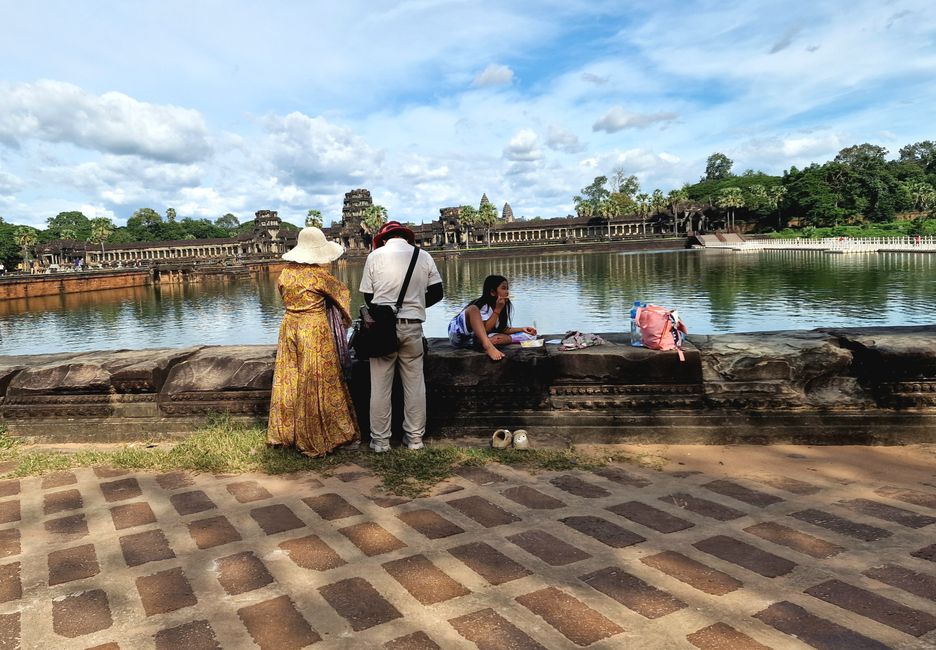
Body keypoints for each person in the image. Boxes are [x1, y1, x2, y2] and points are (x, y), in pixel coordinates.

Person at [267, 227, 360, 457]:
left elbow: (284, 296)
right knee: (318, 378)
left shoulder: (285, 274)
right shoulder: (319, 275)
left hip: (289, 326)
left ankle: (286, 433)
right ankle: (319, 435)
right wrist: (342, 318)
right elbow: (343, 295)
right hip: (313, 328)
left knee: (289, 377)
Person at [360, 221, 443, 452]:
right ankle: (415, 439)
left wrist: (387, 312)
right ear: (405, 237)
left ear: (384, 239)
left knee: (380, 386)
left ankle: (380, 441)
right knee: (415, 384)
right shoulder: (423, 255)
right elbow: (438, 292)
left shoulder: (374, 256)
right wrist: (415, 305)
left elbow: (369, 297)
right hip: (412, 326)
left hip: (382, 329)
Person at [448, 275, 537, 361]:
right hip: (459, 335)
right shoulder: (482, 306)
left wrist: (522, 329)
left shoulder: (501, 306)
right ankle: (488, 346)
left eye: (507, 288)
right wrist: (497, 310)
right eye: (503, 288)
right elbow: (485, 328)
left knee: (499, 339)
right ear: (492, 292)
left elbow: (501, 329)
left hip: (473, 341)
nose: (507, 292)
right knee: (473, 309)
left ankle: (489, 342)